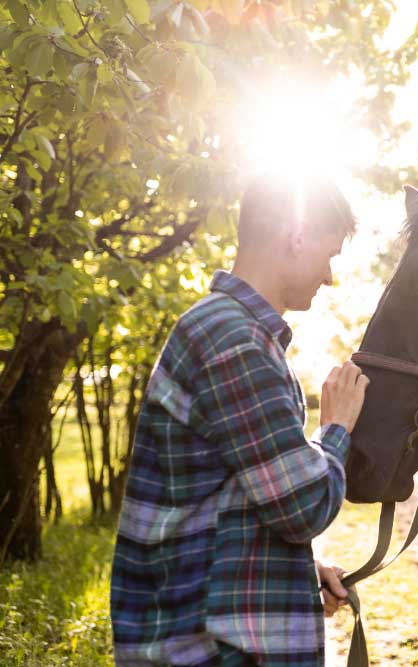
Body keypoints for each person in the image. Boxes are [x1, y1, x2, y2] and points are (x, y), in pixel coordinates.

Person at [111, 176, 369, 666]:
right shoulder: (236, 342)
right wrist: (337, 428)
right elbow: (303, 503)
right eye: (329, 253)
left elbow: (233, 497)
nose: (330, 276)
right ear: (296, 236)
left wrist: (301, 568)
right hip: (209, 652)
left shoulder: (232, 333)